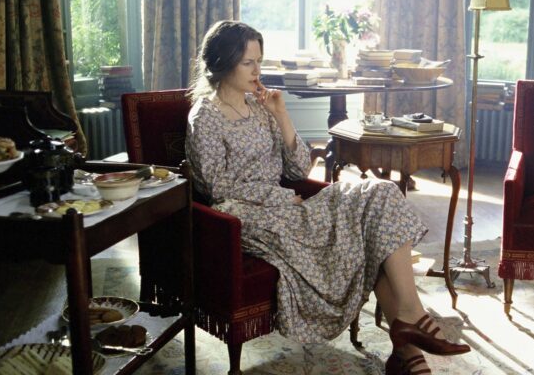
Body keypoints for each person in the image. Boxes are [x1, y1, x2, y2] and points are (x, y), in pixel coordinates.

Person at [185, 20, 470, 374]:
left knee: (381, 193)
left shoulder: (259, 107)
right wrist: (280, 200)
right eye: (248, 63)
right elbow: (217, 187)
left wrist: (281, 115)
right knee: (368, 235)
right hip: (246, 217)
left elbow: (298, 169)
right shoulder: (205, 116)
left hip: (288, 205)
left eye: (259, 61)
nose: (258, 71)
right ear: (223, 62)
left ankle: (411, 322)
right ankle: (410, 351)